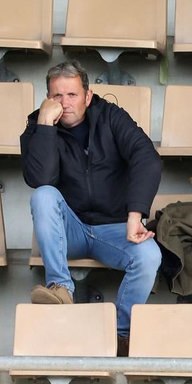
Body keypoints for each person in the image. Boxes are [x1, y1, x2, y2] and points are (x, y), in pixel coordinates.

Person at [22, 62, 163, 350]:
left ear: (88, 96)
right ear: (47, 99)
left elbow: (146, 158)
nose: (65, 103)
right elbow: (40, 179)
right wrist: (46, 126)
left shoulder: (111, 117)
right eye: (57, 96)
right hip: (69, 230)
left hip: (114, 229)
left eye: (72, 95)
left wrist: (136, 215)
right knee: (44, 195)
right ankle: (60, 288)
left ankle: (121, 335)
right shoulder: (38, 126)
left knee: (149, 256)